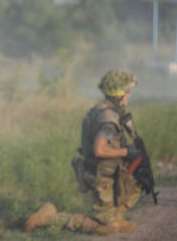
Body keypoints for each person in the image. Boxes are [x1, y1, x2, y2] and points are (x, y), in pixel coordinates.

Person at [25, 69, 142, 236]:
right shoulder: (109, 119)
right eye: (127, 92)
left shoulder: (101, 109)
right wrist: (126, 151)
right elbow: (99, 149)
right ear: (119, 94)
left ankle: (116, 219)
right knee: (103, 228)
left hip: (106, 173)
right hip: (103, 176)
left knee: (133, 186)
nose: (129, 96)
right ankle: (48, 218)